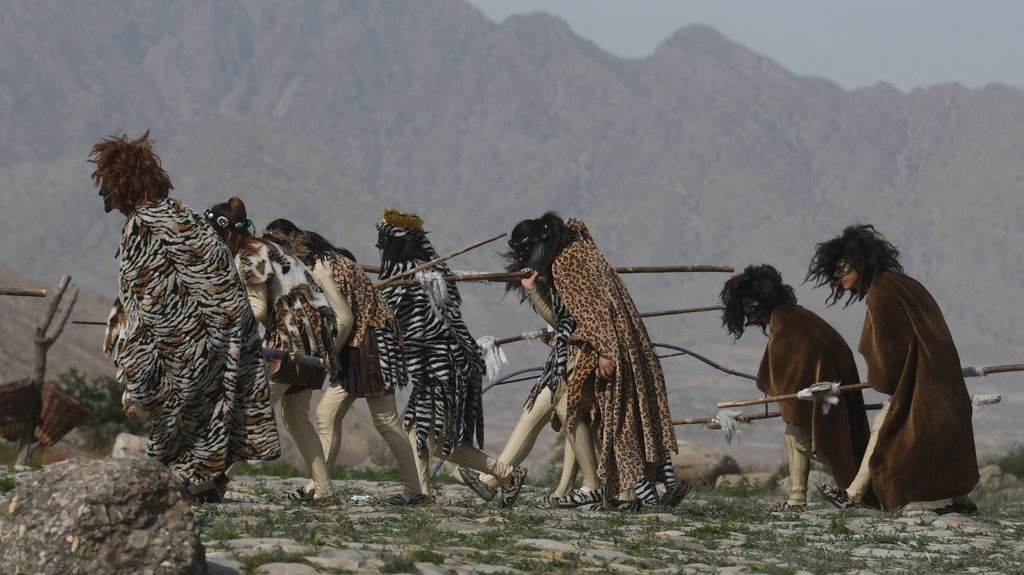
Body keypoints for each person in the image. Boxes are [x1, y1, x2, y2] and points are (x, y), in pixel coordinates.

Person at [91, 132, 280, 502]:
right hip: (225, 338)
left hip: (186, 344)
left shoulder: (144, 227)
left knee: (176, 420)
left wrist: (140, 362)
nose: (103, 196)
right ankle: (204, 484)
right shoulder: (182, 214)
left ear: (123, 186)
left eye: (107, 186)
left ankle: (178, 486)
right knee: (208, 415)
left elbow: (151, 304)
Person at [498, 212, 683, 509]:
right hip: (613, 344)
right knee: (593, 414)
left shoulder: (568, 263)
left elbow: (592, 311)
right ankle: (616, 491)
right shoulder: (580, 253)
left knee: (588, 412)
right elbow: (579, 316)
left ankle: (598, 488)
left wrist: (604, 351)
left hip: (605, 347)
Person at [807, 224, 979, 513]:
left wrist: (889, 380)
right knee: (941, 437)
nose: (840, 276)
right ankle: (963, 502)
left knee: (889, 429)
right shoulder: (902, 284)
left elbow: (890, 349)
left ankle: (853, 496)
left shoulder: (881, 292)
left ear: (860, 263)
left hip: (922, 381)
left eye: (844, 268)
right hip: (938, 377)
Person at [263, 219, 428, 506]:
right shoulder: (323, 262)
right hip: (355, 345)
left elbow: (345, 319)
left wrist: (327, 355)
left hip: (372, 344)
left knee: (386, 421)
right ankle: (319, 486)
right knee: (327, 415)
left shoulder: (321, 266)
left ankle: (415, 492)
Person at [375, 208, 527, 507]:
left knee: (428, 436)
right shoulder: (428, 274)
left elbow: (390, 321)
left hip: (441, 369)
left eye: (382, 245)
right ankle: (423, 491)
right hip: (454, 365)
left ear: (393, 246)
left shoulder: (411, 280)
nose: (378, 251)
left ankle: (503, 475)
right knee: (425, 434)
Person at [205, 198, 339, 502]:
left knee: (248, 411)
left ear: (225, 234)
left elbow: (258, 309)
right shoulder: (268, 248)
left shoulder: (249, 254)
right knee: (295, 417)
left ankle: (215, 483)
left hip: (290, 343)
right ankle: (326, 490)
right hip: (315, 342)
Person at [720, 264, 869, 512]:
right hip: (823, 394)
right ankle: (797, 499)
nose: (748, 307)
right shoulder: (789, 317)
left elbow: (806, 358)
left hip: (827, 395)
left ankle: (853, 487)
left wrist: (795, 391)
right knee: (794, 431)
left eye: (751, 301)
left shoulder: (788, 323)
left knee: (804, 438)